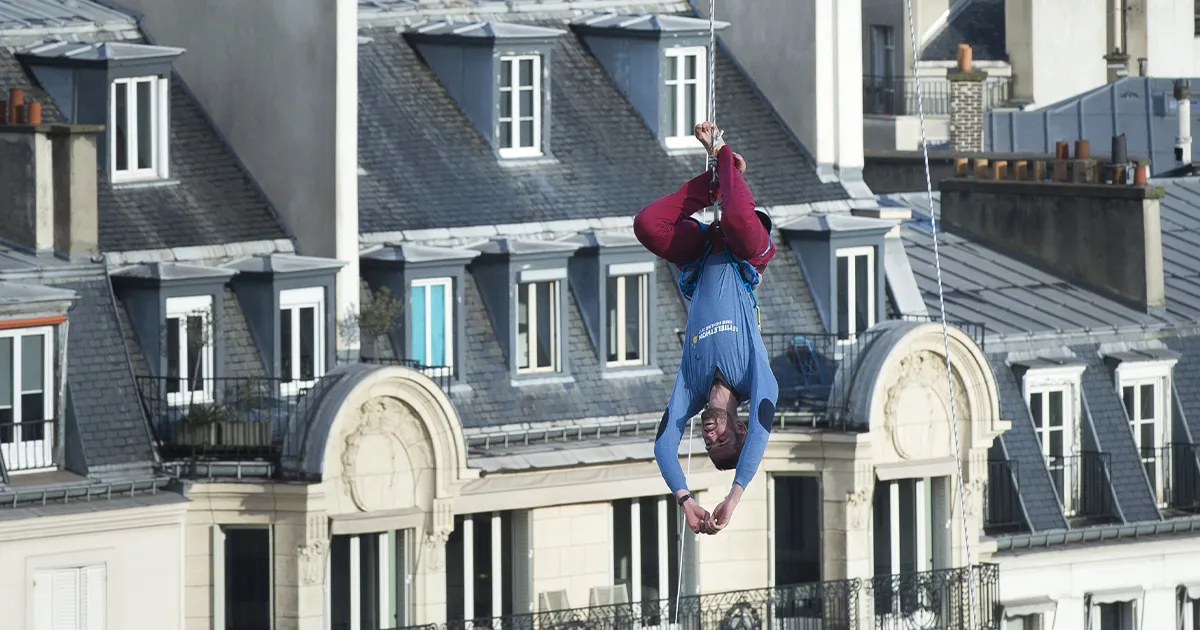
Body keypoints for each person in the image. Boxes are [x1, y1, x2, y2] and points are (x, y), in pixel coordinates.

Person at [634, 121, 779, 536]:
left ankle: (717, 180)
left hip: (701, 253)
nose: (711, 436)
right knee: (735, 216)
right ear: (740, 427)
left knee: (647, 225)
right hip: (747, 254)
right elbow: (762, 434)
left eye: (708, 444)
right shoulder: (756, 379)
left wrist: (685, 499)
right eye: (723, 440)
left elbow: (663, 445)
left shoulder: (691, 389)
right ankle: (722, 153)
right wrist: (733, 496)